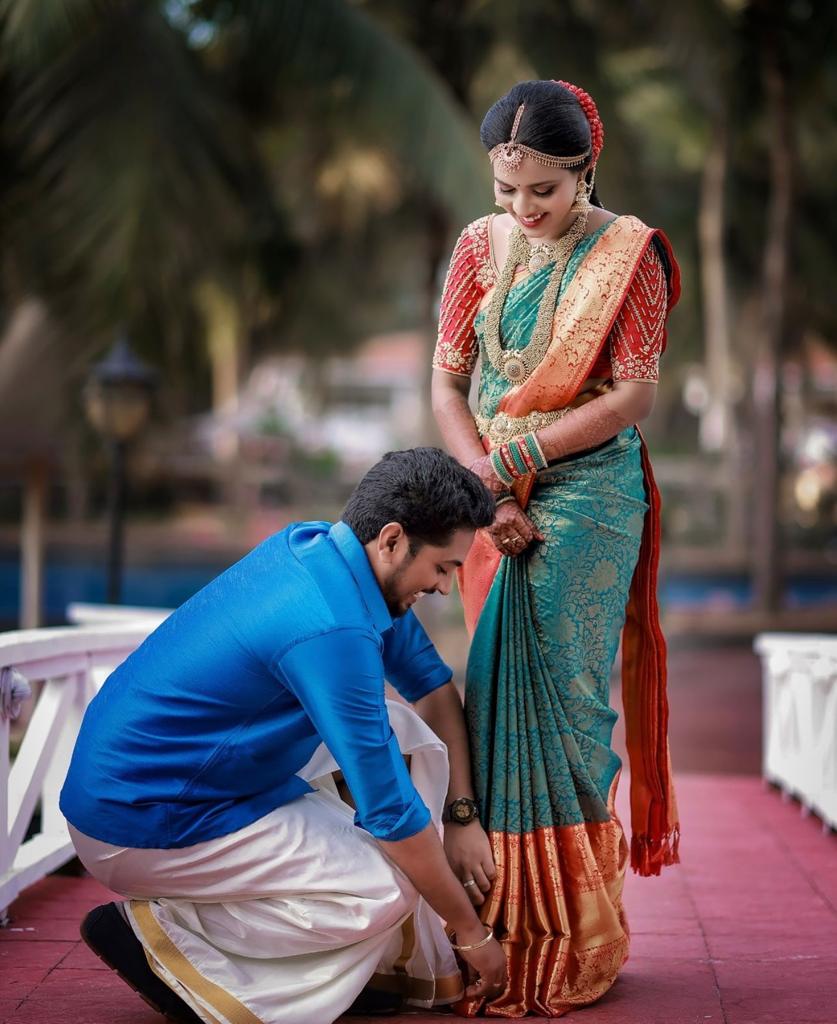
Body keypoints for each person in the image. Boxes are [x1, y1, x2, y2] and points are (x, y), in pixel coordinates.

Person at [59, 447, 508, 1024]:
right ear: (393, 540)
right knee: (386, 888)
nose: (446, 587)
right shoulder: (330, 623)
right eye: (444, 568)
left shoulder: (332, 556)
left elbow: (432, 689)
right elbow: (392, 813)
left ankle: (344, 967)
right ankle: (161, 937)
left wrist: (461, 815)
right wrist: (470, 934)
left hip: (199, 778)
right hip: (142, 815)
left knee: (407, 736)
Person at [431, 79, 681, 1017]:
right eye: (507, 191)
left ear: (584, 171)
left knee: (566, 706)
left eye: (543, 190)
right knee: (492, 694)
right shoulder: (475, 247)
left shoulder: (629, 256)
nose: (523, 210)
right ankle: (504, 923)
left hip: (586, 494)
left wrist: (524, 452)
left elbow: (631, 397)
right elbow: (448, 384)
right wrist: (484, 483)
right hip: (492, 485)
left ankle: (577, 934)